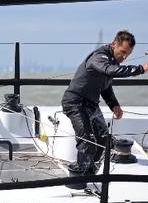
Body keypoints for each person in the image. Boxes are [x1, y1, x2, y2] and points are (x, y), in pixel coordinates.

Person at [61, 30, 147, 186]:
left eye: (128, 54)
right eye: (122, 52)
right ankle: (78, 180)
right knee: (87, 140)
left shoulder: (112, 62)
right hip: (74, 102)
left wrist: (114, 104)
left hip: (91, 104)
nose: (124, 57)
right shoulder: (100, 57)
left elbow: (105, 87)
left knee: (103, 140)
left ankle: (90, 174)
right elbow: (109, 70)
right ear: (114, 44)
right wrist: (141, 69)